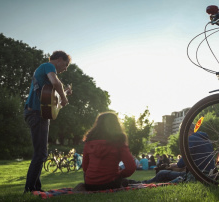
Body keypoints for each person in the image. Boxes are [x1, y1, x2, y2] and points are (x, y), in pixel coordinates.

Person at [23, 50, 72, 193]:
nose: (66, 68)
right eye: (66, 64)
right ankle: (29, 189)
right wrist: (64, 98)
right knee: (41, 154)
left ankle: (35, 187)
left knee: (40, 152)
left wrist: (62, 95)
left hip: (39, 114)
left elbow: (51, 99)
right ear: (59, 59)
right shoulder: (48, 66)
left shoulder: (45, 74)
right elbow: (56, 82)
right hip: (36, 114)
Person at [82, 112, 136, 191]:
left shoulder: (89, 142)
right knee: (126, 182)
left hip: (90, 185)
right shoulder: (119, 142)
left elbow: (85, 167)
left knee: (126, 182)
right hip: (110, 183)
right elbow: (131, 167)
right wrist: (119, 174)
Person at [143, 128, 215, 184]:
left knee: (162, 173)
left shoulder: (191, 139)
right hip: (208, 174)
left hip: (197, 175)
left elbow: (181, 164)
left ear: (188, 130)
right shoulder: (207, 141)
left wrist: (175, 165)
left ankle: (144, 183)